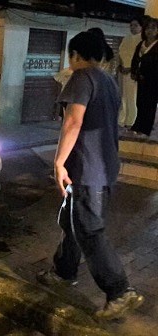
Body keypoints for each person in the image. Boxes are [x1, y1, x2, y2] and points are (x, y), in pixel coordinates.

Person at [36, 31, 144, 321]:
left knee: (89, 230)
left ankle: (119, 291)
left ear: (76, 56)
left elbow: (73, 121)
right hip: (103, 167)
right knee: (70, 220)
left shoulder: (82, 78)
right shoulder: (108, 81)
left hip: (87, 169)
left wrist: (58, 162)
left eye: (71, 56)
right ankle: (64, 271)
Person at [130, 18, 158, 137]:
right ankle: (138, 125)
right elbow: (135, 59)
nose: (149, 31)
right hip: (141, 78)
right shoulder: (141, 44)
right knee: (140, 102)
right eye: (147, 28)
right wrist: (134, 71)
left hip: (153, 79)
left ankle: (146, 128)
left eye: (153, 28)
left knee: (150, 103)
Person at [118, 18, 143, 128]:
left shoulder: (142, 40)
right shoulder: (126, 38)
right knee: (124, 96)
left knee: (133, 97)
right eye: (131, 25)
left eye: (136, 25)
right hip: (123, 71)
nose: (133, 27)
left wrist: (131, 69)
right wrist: (120, 65)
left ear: (141, 27)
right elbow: (120, 53)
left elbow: (141, 58)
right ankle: (123, 119)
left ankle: (132, 121)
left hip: (134, 73)